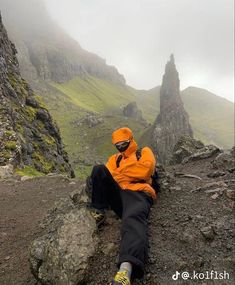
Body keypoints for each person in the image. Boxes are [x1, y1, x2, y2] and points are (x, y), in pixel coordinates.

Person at [88, 127, 157, 285]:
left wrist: (120, 174)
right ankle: (98, 210)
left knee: (133, 219)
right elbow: (109, 172)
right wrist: (130, 172)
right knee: (98, 170)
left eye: (124, 144)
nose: (120, 148)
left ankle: (126, 270)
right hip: (119, 194)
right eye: (117, 145)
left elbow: (146, 170)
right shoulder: (115, 158)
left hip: (139, 192)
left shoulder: (144, 152)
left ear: (131, 140)